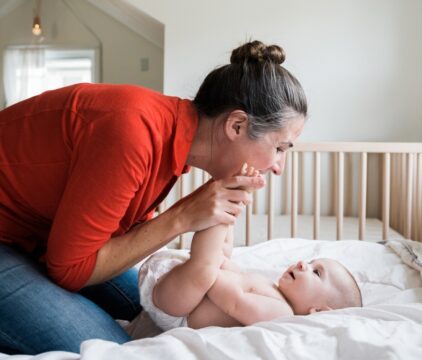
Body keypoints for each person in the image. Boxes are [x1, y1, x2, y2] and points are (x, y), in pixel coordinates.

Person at [0, 40, 307, 354]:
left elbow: (117, 235)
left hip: (38, 236)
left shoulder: (171, 144)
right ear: (237, 125)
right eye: (280, 148)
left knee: (159, 318)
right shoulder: (132, 131)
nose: (278, 167)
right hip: (11, 238)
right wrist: (181, 217)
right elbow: (69, 271)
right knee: (122, 351)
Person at [140, 164, 362, 331]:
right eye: (312, 263)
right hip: (184, 292)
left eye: (316, 272)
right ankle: (232, 200)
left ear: (319, 311)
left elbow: (235, 301)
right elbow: (235, 276)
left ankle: (231, 197)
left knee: (205, 266)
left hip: (181, 309)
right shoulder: (272, 289)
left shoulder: (281, 313)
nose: (304, 264)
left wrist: (213, 264)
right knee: (222, 253)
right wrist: (221, 258)